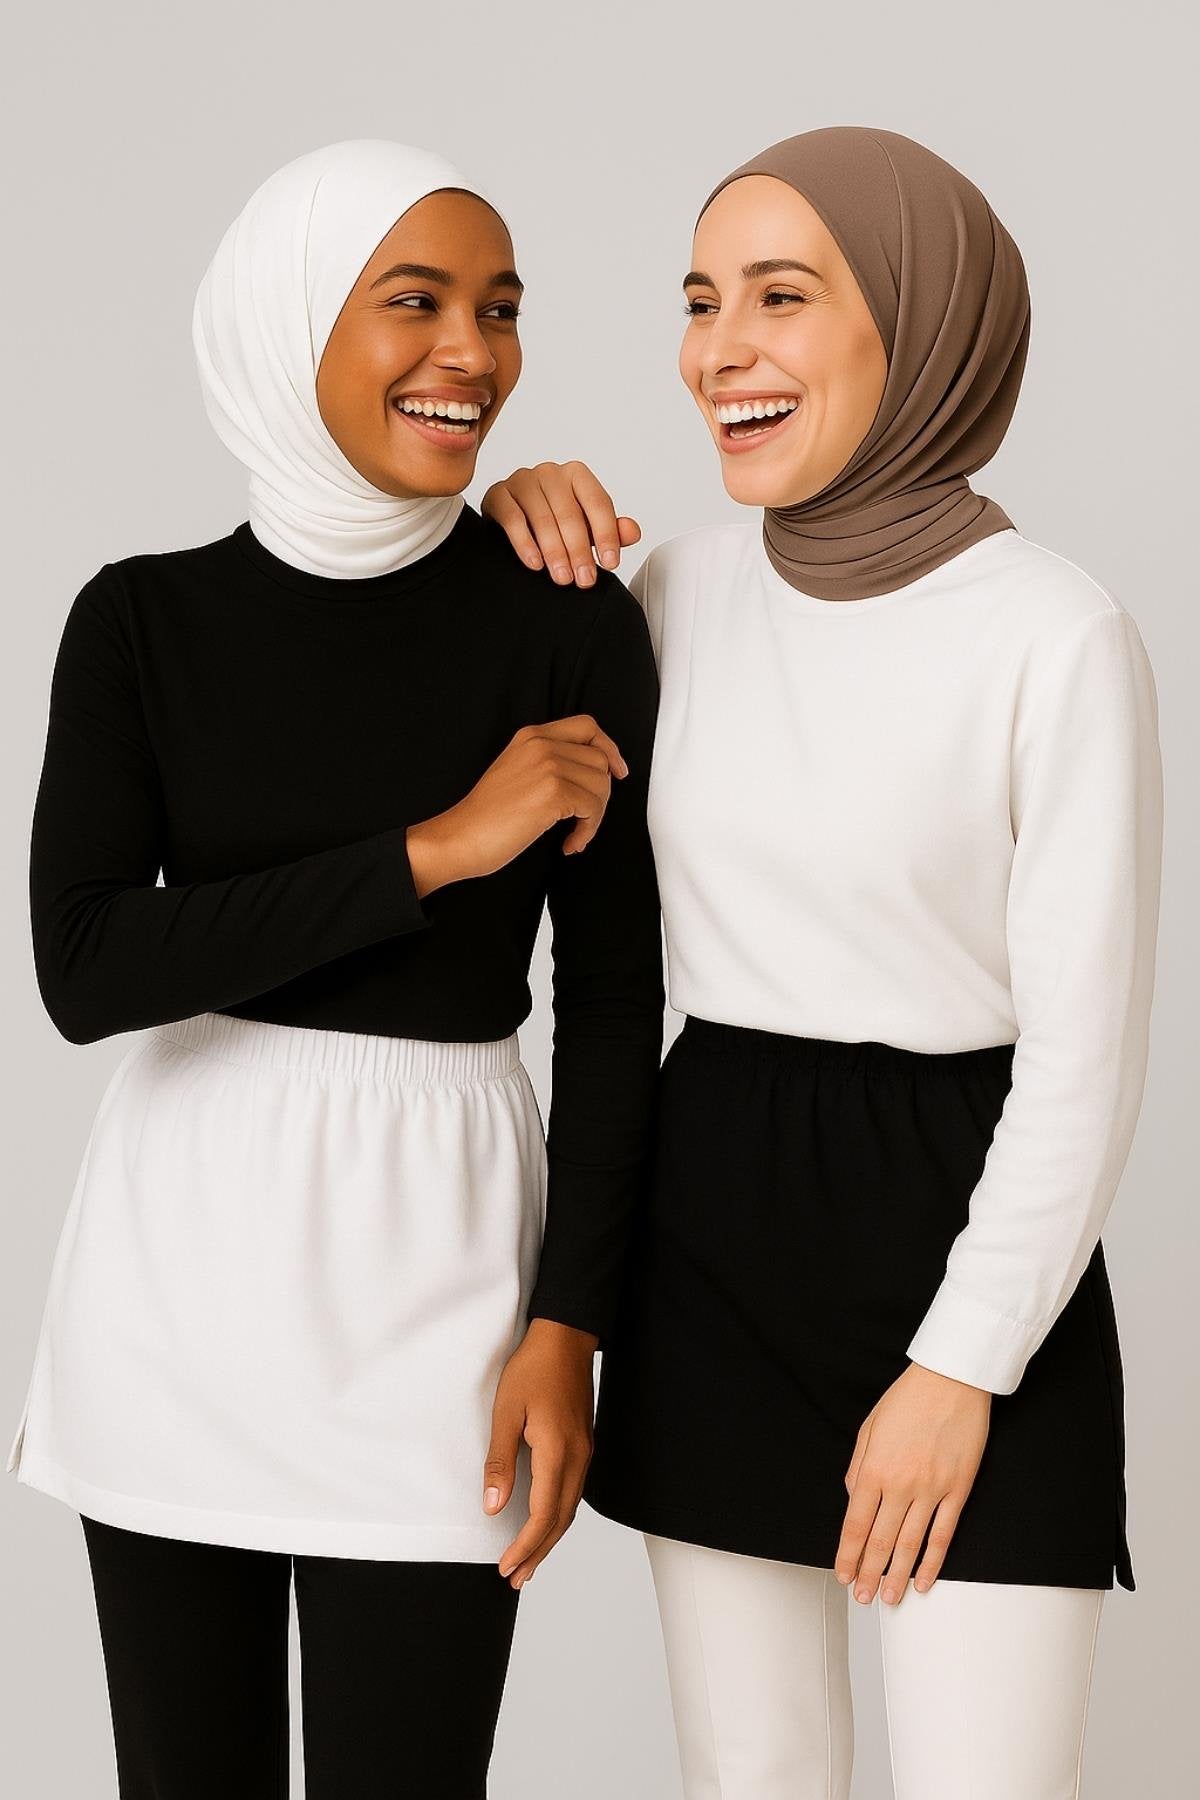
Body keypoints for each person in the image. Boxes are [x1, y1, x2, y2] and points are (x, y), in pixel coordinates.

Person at [482, 125, 1164, 1798]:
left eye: (780, 297)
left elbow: (1086, 1058)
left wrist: (962, 1365)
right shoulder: (672, 592)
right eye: (699, 300)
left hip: (972, 1229)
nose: (720, 350)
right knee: (751, 1779)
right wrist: (505, 521)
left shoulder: (1054, 632)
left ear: (917, 324)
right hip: (712, 1230)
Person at [5, 138, 664, 1799]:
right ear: (288, 320)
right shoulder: (139, 622)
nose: (473, 353)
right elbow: (87, 967)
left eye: (501, 309)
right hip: (175, 1291)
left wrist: (570, 1323)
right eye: (415, 302)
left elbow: (613, 1008)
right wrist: (434, 850)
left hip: (446, 1281)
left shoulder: (565, 620)